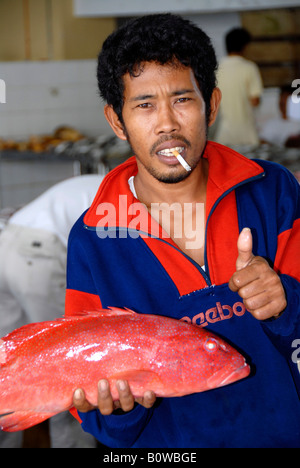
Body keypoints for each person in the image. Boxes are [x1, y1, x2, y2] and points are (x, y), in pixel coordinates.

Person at [66, 14, 300, 448]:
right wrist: (116, 410)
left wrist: (286, 300)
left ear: (211, 104)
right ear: (117, 121)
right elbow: (99, 420)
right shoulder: (93, 239)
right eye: (144, 105)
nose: (167, 123)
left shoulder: (273, 192)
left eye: (182, 99)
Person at [0, 174, 103, 448]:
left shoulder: (100, 182)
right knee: (65, 368)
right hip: (38, 254)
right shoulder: (137, 194)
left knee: (6, 360)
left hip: (7, 244)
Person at [214, 27, 263, 147]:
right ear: (245, 46)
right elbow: (255, 101)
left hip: (224, 133)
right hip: (247, 133)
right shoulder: (249, 67)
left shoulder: (216, 68)